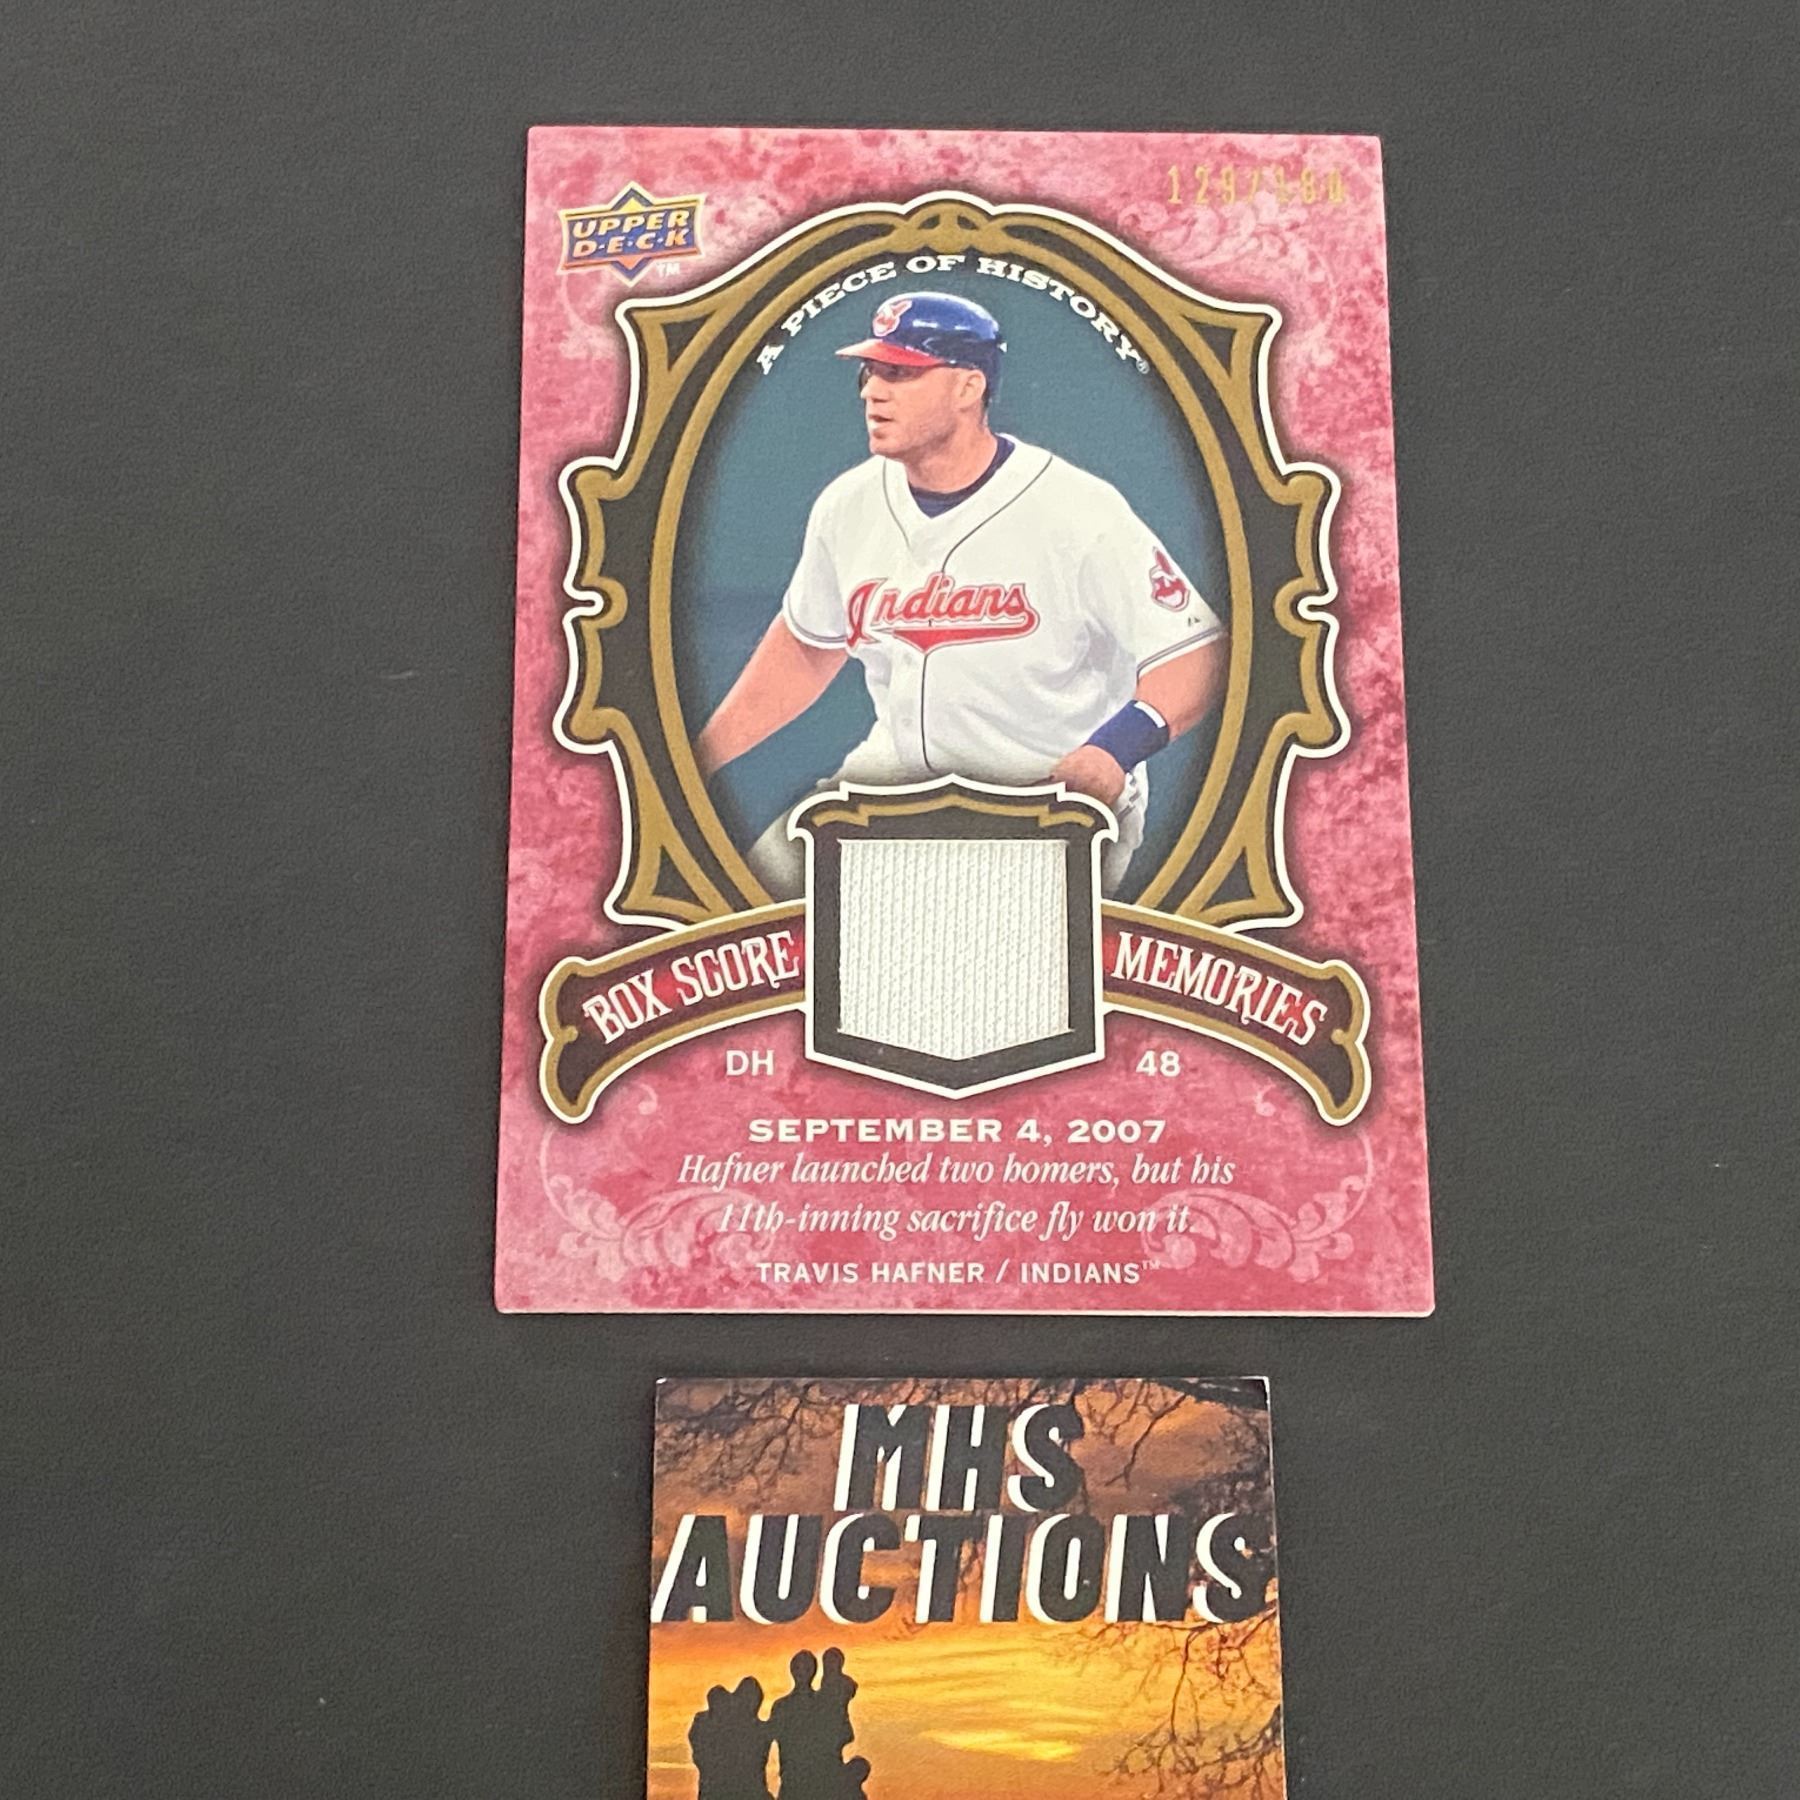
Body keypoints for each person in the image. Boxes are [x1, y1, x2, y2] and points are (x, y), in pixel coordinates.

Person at [696, 290, 1228, 895]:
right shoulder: (849, 504)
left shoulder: (1077, 510)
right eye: (871, 372)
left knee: (978, 947)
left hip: (1046, 798)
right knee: (747, 902)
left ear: (968, 387)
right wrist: (695, 759)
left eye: (900, 373)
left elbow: (1197, 655)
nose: (872, 392)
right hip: (895, 781)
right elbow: (807, 649)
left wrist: (1116, 749)